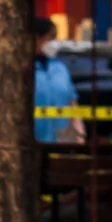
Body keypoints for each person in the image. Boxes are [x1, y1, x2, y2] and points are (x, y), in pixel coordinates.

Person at [32, 16, 78, 144]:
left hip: (62, 143)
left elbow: (72, 104)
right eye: (51, 37)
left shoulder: (60, 68)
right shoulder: (25, 70)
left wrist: (78, 137)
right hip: (35, 142)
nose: (55, 42)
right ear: (37, 38)